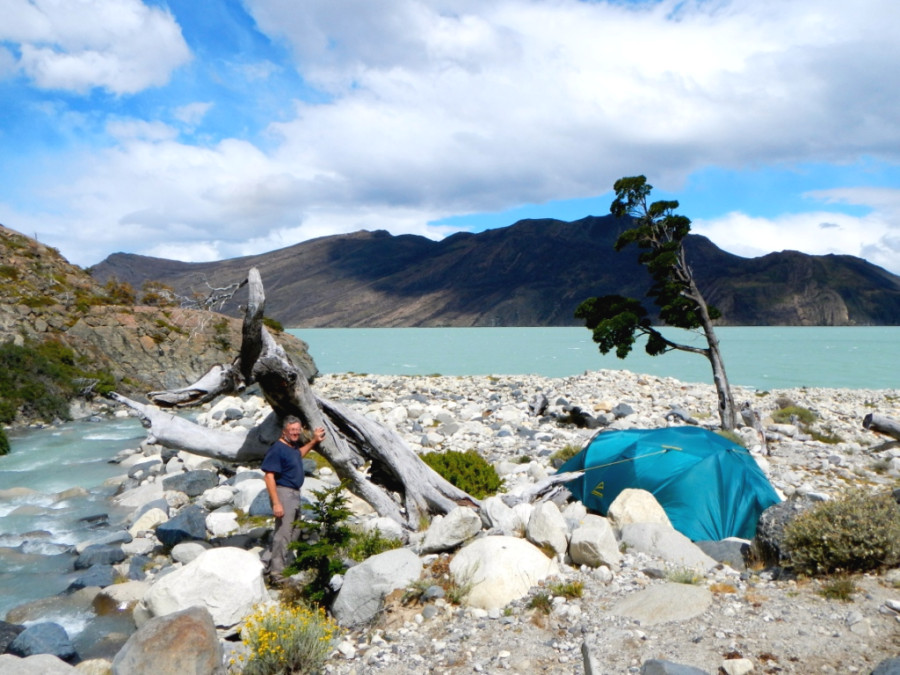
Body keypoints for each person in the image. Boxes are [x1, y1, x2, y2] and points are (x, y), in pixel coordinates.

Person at [261, 415, 326, 583]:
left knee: (293, 531)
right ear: (284, 431)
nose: (295, 433)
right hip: (284, 493)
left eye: (297, 430)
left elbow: (297, 455)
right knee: (283, 533)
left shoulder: (292, 446)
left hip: (295, 494)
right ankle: (277, 574)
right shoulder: (277, 449)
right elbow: (268, 477)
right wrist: (276, 503)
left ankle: (267, 563)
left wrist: (313, 442)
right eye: (292, 431)